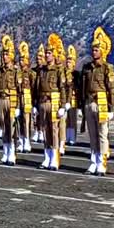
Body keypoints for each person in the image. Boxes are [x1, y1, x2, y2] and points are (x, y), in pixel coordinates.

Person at [81, 27, 114, 176]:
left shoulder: (108, 68)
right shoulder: (87, 68)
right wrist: (81, 105)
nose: (94, 52)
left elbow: (111, 89)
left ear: (103, 51)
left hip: (101, 102)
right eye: (93, 49)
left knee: (102, 134)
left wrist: (111, 109)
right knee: (93, 134)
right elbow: (82, 87)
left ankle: (102, 162)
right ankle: (93, 161)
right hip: (89, 102)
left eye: (97, 49)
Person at [34, 34, 67, 171]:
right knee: (44, 129)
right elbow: (36, 88)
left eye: (49, 53)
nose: (47, 55)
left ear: (54, 55)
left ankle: (54, 157)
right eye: (46, 53)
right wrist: (36, 104)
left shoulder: (59, 70)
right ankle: (47, 157)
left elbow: (62, 88)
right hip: (42, 103)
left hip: (53, 103)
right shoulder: (41, 71)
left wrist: (63, 106)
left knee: (54, 130)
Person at [0, 35, 21, 166]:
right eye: (3, 54)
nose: (4, 57)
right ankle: (5, 152)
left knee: (11, 128)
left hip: (11, 101)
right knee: (3, 127)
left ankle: (12, 153)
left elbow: (20, 90)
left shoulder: (16, 71)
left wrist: (18, 107)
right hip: (1, 100)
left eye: (6, 54)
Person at [17, 42, 34, 153]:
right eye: (20, 59)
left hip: (28, 98)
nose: (21, 61)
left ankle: (27, 141)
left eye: (23, 59)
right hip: (19, 97)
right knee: (19, 121)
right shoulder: (17, 73)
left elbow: (34, 87)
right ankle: (21, 140)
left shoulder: (31, 73)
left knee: (27, 121)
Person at [65, 46, 80, 148]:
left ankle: (73, 137)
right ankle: (67, 136)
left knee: (72, 119)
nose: (68, 63)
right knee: (66, 119)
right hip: (65, 98)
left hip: (74, 99)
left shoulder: (77, 74)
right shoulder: (64, 73)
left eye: (70, 61)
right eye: (67, 61)